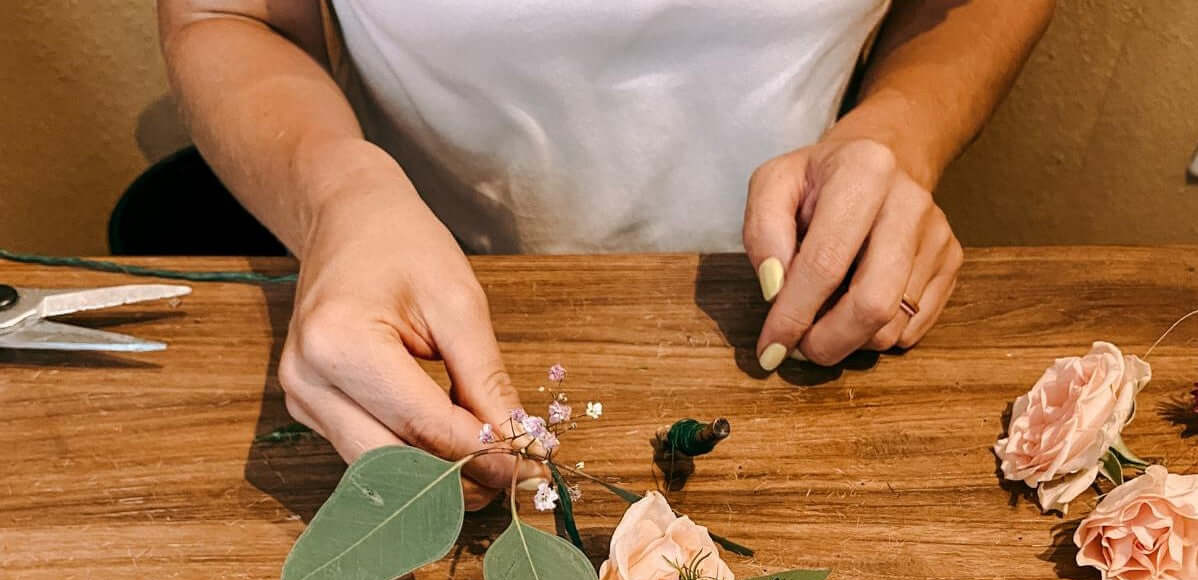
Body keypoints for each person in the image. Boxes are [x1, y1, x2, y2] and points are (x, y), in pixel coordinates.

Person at [159, 0, 1054, 508]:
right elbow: (228, 14)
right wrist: (337, 196)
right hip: (421, 331)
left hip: (806, 306)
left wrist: (906, 128)